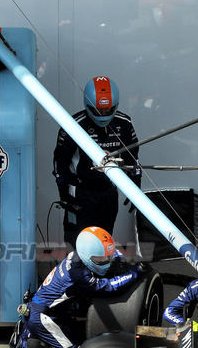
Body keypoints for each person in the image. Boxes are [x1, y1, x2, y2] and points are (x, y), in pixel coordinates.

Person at [12, 226, 142, 348]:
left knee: (81, 338)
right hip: (43, 316)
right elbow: (110, 287)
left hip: (51, 310)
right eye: (100, 258)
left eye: (106, 257)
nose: (105, 261)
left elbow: (113, 252)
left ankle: (31, 332)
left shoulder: (78, 254)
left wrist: (119, 258)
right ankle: (28, 345)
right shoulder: (79, 277)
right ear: (87, 255)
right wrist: (135, 271)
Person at [52, 76, 141, 246]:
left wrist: (135, 183)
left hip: (108, 191)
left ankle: (103, 271)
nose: (103, 115)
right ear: (88, 105)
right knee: (77, 241)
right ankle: (76, 271)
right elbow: (60, 160)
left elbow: (133, 157)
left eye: (108, 110)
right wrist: (63, 191)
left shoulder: (124, 123)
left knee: (105, 239)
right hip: (80, 193)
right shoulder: (73, 125)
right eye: (98, 110)